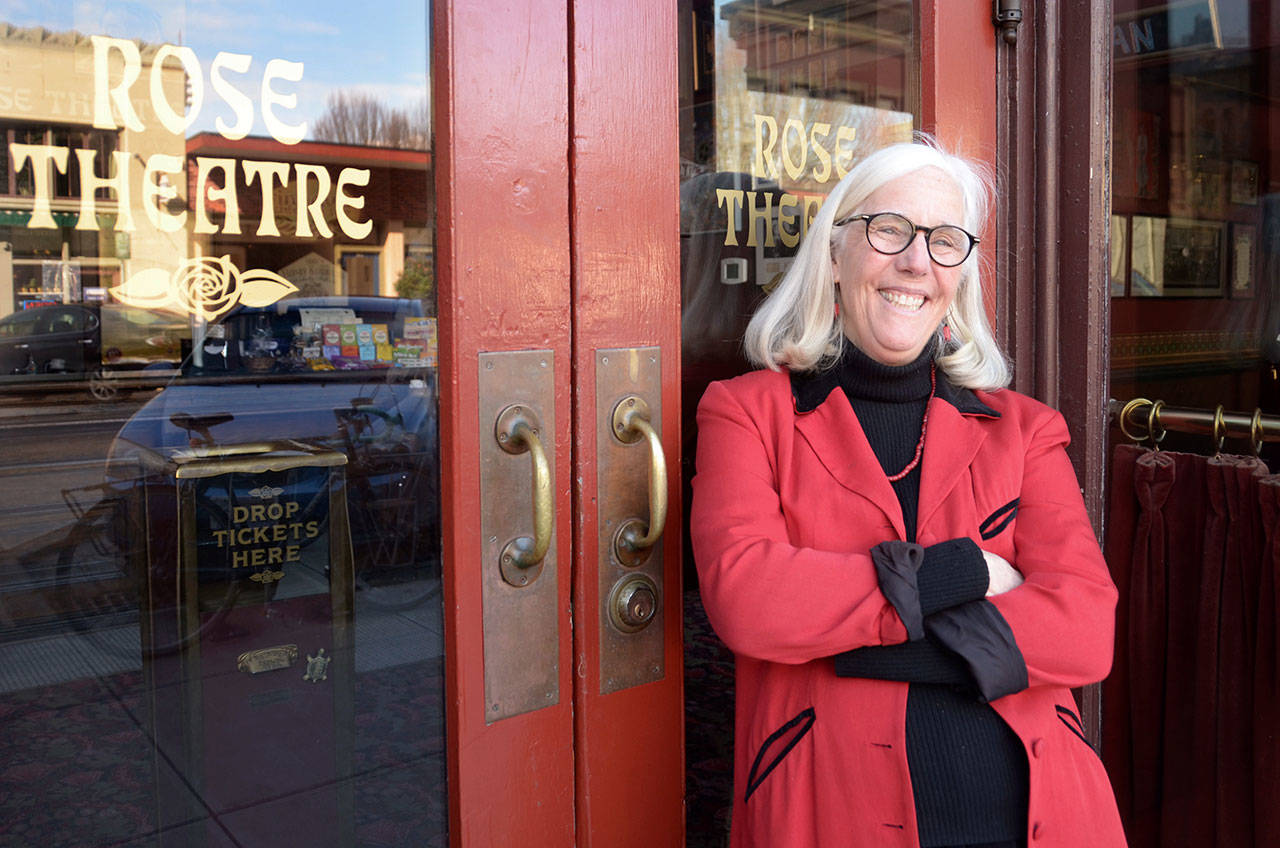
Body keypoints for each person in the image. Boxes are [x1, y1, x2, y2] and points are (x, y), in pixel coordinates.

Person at [690, 139, 1126, 848]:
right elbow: (750, 599)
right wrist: (972, 572)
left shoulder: (1026, 429)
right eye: (889, 228)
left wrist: (852, 642)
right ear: (834, 254)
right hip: (829, 810)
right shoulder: (745, 413)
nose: (916, 261)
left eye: (945, 241)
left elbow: (1085, 631)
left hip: (1039, 813)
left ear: (962, 274)